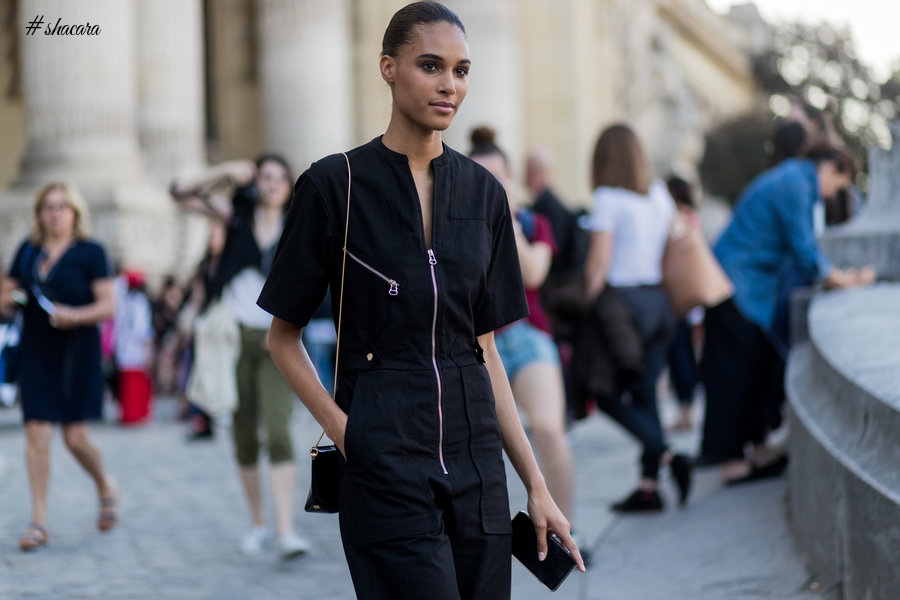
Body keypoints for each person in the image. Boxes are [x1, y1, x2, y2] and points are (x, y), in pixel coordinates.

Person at [260, 3, 584, 597]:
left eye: (461, 70)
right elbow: (282, 338)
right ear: (388, 67)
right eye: (430, 65)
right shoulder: (335, 186)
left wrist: (535, 484)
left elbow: (485, 348)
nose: (449, 85)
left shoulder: (486, 194)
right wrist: (347, 431)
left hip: (478, 466)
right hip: (384, 460)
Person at [700, 142, 876, 484]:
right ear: (830, 168)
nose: (833, 194)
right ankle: (731, 461)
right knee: (736, 376)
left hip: (739, 287)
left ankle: (750, 450)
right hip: (737, 287)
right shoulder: (795, 185)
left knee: (750, 370)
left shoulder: (793, 179)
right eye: (838, 185)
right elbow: (805, 250)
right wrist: (845, 281)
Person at [169, 154, 310, 559]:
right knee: (243, 432)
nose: (272, 183)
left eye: (280, 177)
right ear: (255, 183)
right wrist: (223, 171)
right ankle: (258, 524)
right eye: (265, 177)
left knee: (278, 431)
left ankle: (285, 530)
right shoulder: (235, 218)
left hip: (278, 340)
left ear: (289, 185)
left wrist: (290, 325)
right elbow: (179, 190)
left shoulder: (297, 225)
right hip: (232, 338)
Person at [468, 126, 578, 540]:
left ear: (511, 180)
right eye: (481, 178)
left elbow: (533, 272)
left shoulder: (534, 223)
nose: (490, 185)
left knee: (549, 430)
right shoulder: (454, 226)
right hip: (475, 346)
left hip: (526, 336)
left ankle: (567, 529)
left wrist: (506, 216)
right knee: (482, 449)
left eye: (498, 177)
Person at [0, 182, 118, 551]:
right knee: (36, 432)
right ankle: (38, 521)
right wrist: (11, 298)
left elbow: (109, 305)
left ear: (75, 213)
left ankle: (104, 485)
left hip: (76, 351)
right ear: (39, 213)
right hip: (36, 350)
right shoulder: (28, 250)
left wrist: (75, 315)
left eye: (62, 206)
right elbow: (7, 295)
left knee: (75, 437)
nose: (55, 213)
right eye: (48, 207)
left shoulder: (91, 251)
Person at [582, 124, 692, 512]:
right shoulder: (660, 196)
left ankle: (666, 455)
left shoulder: (607, 198)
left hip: (623, 308)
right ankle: (648, 488)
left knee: (604, 394)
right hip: (659, 305)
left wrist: (583, 309)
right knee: (646, 395)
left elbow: (598, 264)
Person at [664, 175, 701, 431]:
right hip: (684, 298)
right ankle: (686, 409)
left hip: (678, 298)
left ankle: (686, 411)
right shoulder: (690, 218)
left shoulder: (679, 219)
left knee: (680, 355)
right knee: (682, 353)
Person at [114, 269, 155, 425]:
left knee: (129, 385)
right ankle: (136, 414)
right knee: (136, 384)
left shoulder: (123, 302)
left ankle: (129, 414)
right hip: (136, 348)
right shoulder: (139, 302)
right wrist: (148, 347)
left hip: (125, 348)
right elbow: (142, 329)